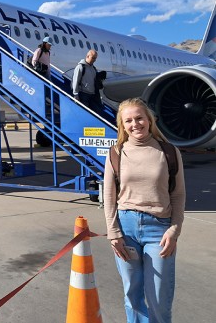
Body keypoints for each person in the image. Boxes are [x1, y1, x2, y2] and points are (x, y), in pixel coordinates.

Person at [103, 97, 186, 323]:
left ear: (149, 120)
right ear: (122, 125)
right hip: (126, 228)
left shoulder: (168, 152)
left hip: (159, 229)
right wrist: (113, 233)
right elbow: (109, 196)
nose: (135, 124)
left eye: (139, 118)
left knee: (159, 298)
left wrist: (174, 230)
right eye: (128, 120)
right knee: (132, 295)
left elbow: (178, 195)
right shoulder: (116, 153)